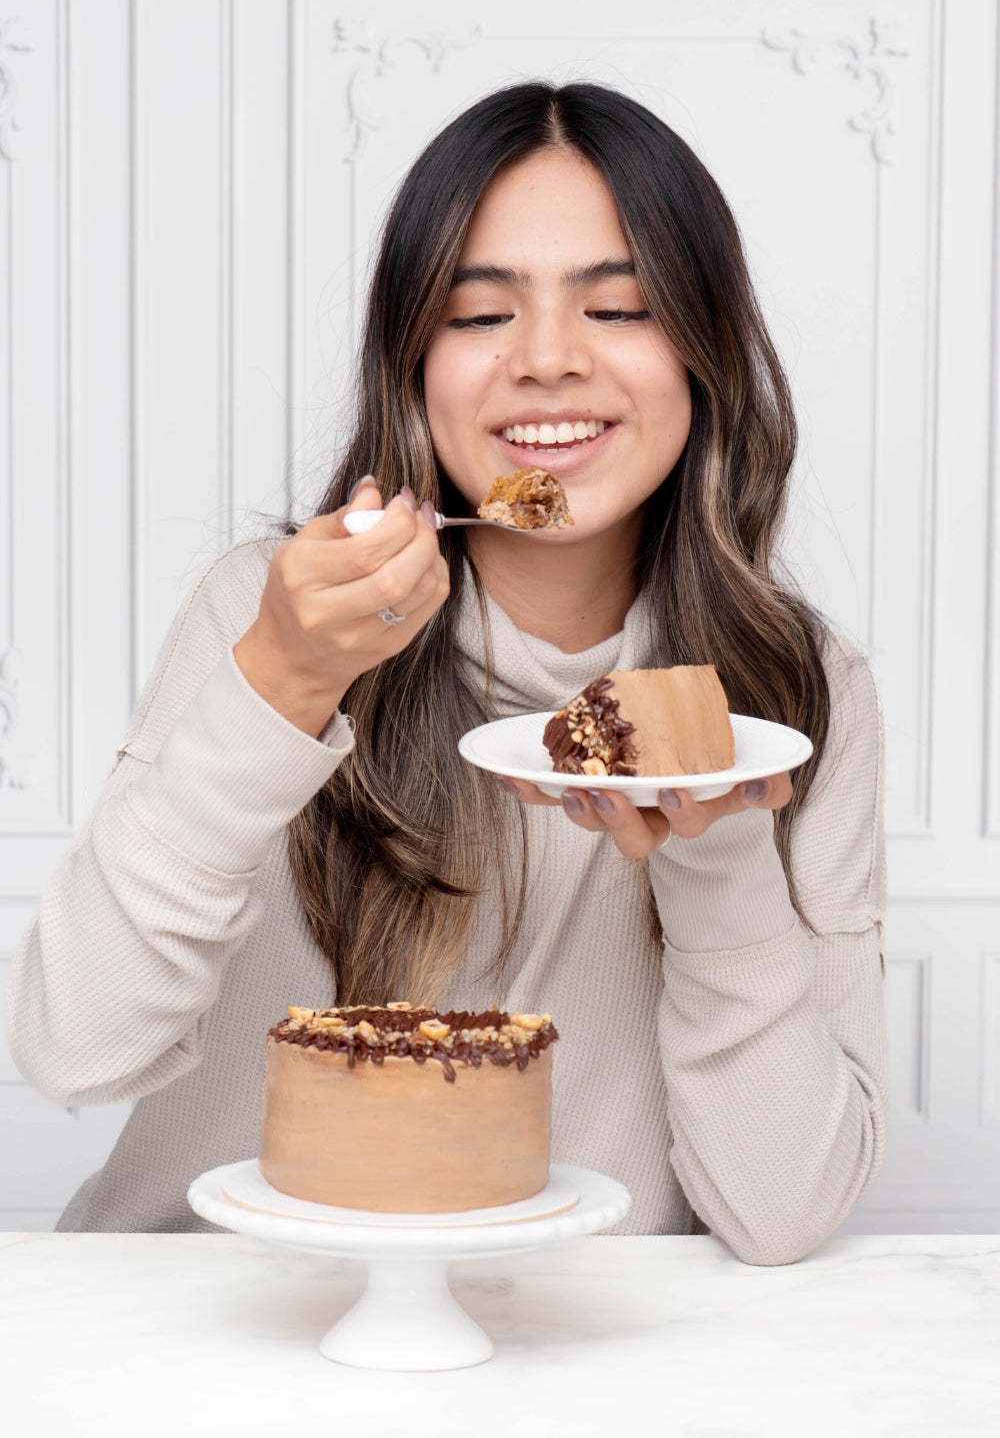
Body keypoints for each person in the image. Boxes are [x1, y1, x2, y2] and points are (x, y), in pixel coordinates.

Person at [5, 82, 887, 1262]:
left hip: (580, 1350)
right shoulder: (271, 613)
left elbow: (786, 1216)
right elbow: (75, 1050)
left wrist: (716, 847)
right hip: (214, 1326)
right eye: (479, 318)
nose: (547, 361)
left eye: (617, 306)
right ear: (413, 362)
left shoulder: (794, 688)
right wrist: (276, 683)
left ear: (704, 351)